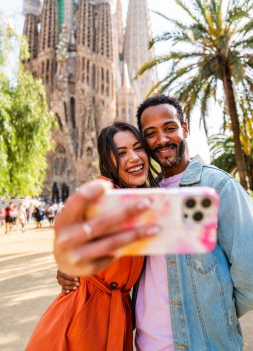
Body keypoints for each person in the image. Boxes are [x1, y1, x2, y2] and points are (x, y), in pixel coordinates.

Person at [55, 96, 253, 351]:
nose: (161, 139)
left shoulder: (217, 187)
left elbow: (249, 274)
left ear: (185, 127)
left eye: (169, 128)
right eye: (150, 133)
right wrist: (71, 269)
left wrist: (214, 317)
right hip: (146, 344)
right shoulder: (140, 197)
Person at [26, 122, 160, 351]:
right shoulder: (106, 190)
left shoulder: (144, 198)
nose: (134, 157)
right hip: (83, 318)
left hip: (116, 316)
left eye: (138, 148)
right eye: (121, 153)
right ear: (108, 162)